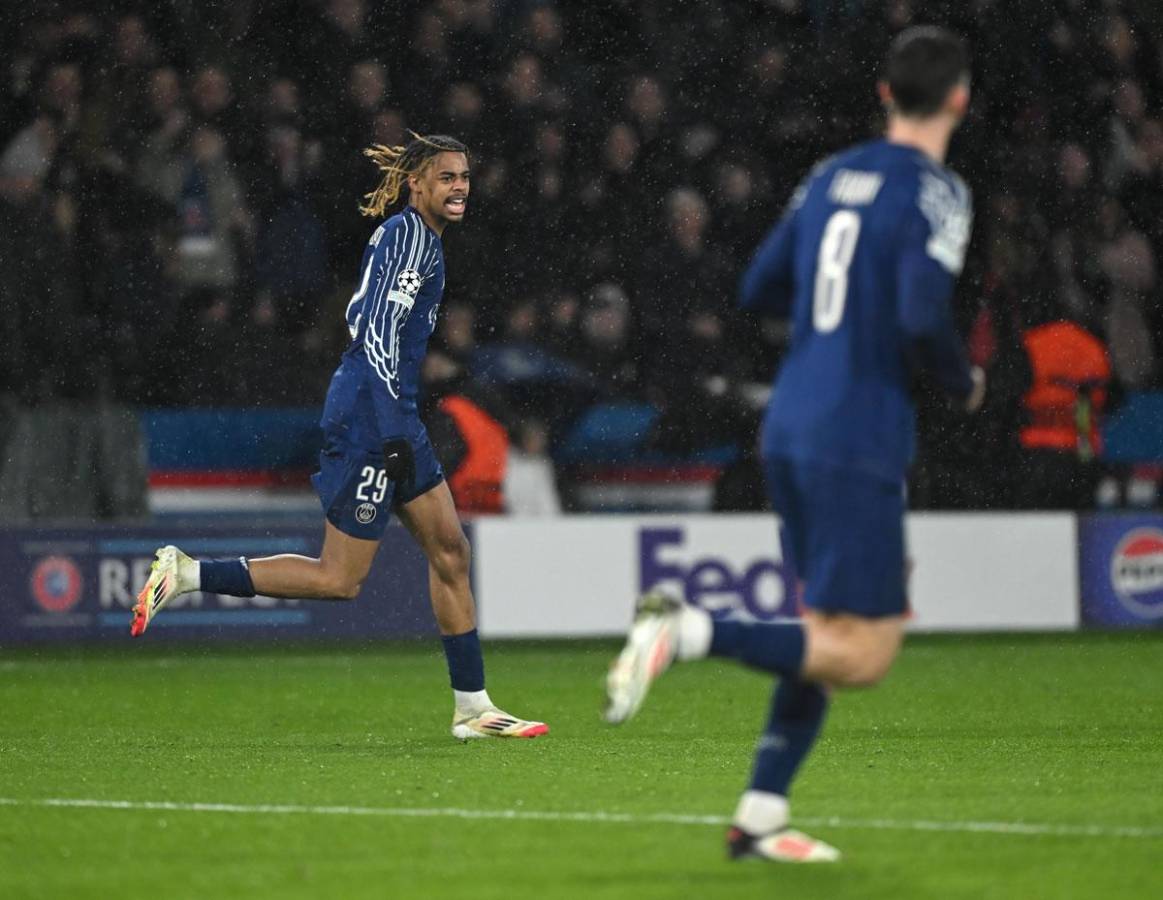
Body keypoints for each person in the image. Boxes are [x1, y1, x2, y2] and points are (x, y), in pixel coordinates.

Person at [604, 27, 984, 862]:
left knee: (821, 629)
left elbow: (757, 286)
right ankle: (689, 631)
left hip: (792, 418)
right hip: (858, 427)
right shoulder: (938, 192)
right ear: (958, 98)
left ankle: (761, 813)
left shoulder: (825, 176)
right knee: (867, 652)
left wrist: (828, 317)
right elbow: (923, 316)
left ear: (885, 94)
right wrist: (961, 383)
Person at [132, 132, 548, 742]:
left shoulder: (423, 241)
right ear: (418, 184)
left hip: (394, 413)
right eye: (446, 177)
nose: (459, 187)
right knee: (339, 579)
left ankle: (473, 708)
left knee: (451, 552)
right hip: (371, 419)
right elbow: (373, 330)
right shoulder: (408, 238)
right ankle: (189, 572)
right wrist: (390, 428)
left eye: (464, 176)